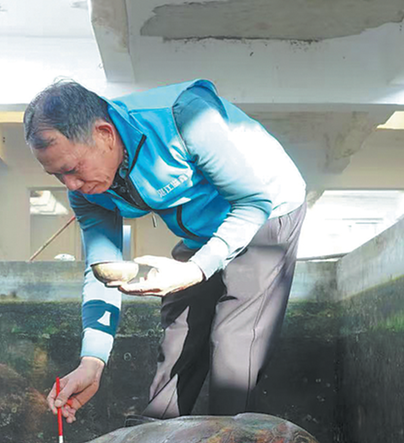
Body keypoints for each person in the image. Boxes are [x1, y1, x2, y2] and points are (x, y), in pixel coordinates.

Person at [25, 79, 307, 423]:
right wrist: (92, 361)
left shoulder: (184, 117)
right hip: (204, 228)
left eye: (72, 169)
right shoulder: (84, 191)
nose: (70, 185)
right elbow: (102, 272)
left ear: (104, 134)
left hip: (266, 208)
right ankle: (157, 437)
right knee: (180, 326)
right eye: (57, 176)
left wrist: (195, 270)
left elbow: (252, 202)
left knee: (233, 339)